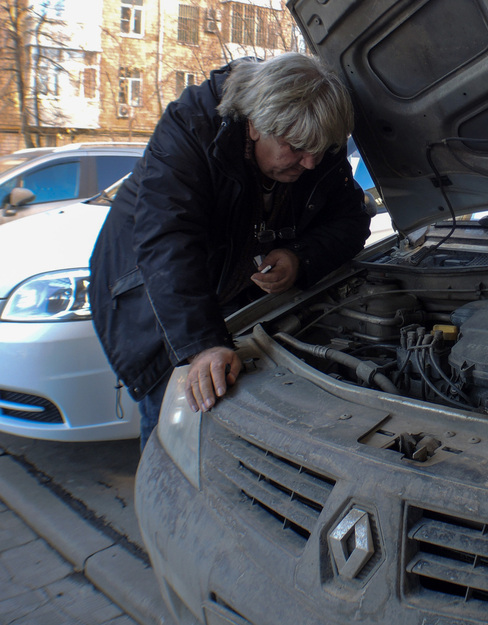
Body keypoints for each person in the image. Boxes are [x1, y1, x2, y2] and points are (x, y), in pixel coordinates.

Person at [89, 53, 371, 448]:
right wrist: (202, 343)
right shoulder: (191, 126)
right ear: (255, 125)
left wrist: (299, 257)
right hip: (161, 307)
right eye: (295, 148)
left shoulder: (315, 136)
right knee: (177, 441)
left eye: (320, 150)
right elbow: (168, 239)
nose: (310, 163)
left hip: (238, 303)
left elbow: (351, 221)